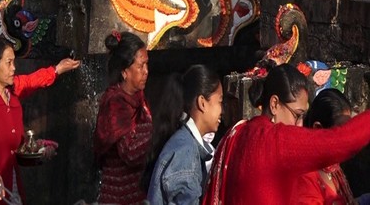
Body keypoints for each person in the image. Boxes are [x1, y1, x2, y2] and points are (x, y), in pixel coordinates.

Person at [202, 64, 370, 205]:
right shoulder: (273, 141)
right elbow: (342, 141)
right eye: (297, 115)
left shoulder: (237, 132)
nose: (300, 125)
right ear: (274, 104)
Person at [0, 36, 80, 204]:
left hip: (12, 187)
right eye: (9, 63)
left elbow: (17, 149)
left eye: (14, 62)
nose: (14, 68)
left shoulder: (12, 97)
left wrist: (38, 151)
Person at [145, 65, 223, 204]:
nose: (222, 110)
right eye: (220, 102)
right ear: (202, 103)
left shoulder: (185, 142)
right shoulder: (186, 151)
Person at [93, 31, 152, 205]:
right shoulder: (115, 103)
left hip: (136, 194)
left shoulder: (139, 98)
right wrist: (159, 134)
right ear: (125, 72)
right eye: (141, 66)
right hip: (118, 197)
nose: (146, 71)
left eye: (147, 65)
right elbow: (131, 152)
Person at [291, 88, 367, 205]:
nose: (348, 139)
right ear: (318, 128)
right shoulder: (306, 179)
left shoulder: (332, 167)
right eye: (341, 133)